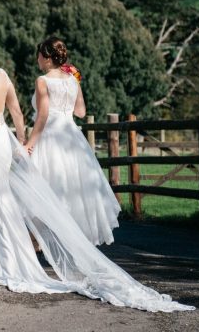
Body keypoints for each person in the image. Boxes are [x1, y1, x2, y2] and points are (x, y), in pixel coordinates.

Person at [0, 35, 193, 312]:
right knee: (11, 199)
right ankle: (9, 254)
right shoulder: (5, 74)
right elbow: (30, 111)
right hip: (24, 140)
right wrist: (20, 138)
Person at [25, 37, 121, 246]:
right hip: (71, 137)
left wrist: (29, 144)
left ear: (48, 58)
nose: (38, 60)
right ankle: (69, 242)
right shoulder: (72, 80)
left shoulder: (42, 81)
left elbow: (42, 116)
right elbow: (80, 111)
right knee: (72, 188)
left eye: (39, 56)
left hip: (50, 136)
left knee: (46, 187)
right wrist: (74, 83)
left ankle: (38, 240)